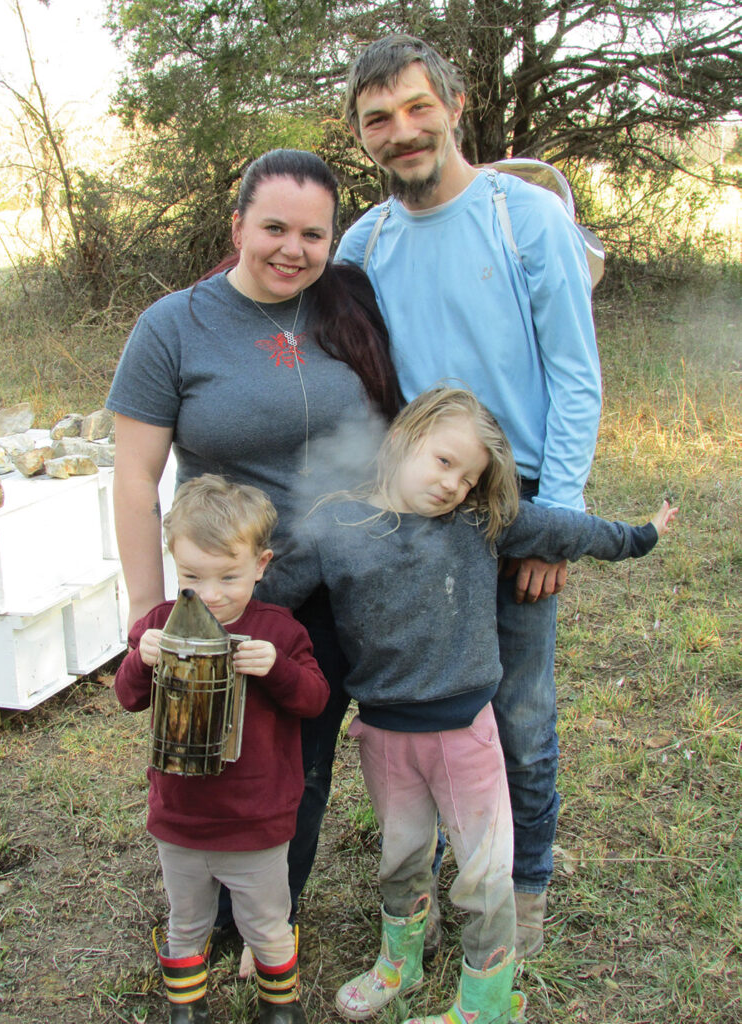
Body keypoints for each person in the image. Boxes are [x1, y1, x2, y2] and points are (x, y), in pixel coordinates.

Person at [257, 386, 677, 1024]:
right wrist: (206, 613)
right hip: (384, 736)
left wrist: (641, 535)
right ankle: (400, 962)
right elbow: (268, 597)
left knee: (484, 876)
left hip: (465, 737)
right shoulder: (335, 527)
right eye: (444, 461)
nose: (455, 484)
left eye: (470, 475)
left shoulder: (482, 525)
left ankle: (486, 1003)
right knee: (399, 858)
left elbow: (570, 530)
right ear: (403, 440)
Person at [335, 33, 603, 957]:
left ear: (452, 104)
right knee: (435, 697)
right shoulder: (366, 242)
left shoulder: (523, 217)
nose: (401, 131)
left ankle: (521, 890)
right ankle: (451, 868)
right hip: (417, 505)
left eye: (417, 108)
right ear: (361, 134)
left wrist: (554, 525)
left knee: (519, 709)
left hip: (513, 494)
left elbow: (575, 374)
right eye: (379, 118)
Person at [106, 149, 402, 951]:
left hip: (345, 584)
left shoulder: (350, 309)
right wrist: (144, 607)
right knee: (221, 756)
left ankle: (270, 916)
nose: (292, 249)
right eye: (273, 227)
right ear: (237, 225)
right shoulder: (175, 326)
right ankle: (207, 906)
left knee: (304, 760)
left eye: (313, 234)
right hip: (235, 594)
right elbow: (135, 478)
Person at [114, 474, 330, 1024]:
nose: (209, 594)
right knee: (186, 920)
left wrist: (275, 668)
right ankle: (186, 1008)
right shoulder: (163, 624)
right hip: (181, 818)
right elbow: (128, 698)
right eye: (191, 576)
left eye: (228, 576)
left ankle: (281, 1009)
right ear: (174, 564)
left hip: (255, 820)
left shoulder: (277, 632)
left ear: (261, 564)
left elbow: (315, 699)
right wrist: (141, 657)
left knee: (267, 922)